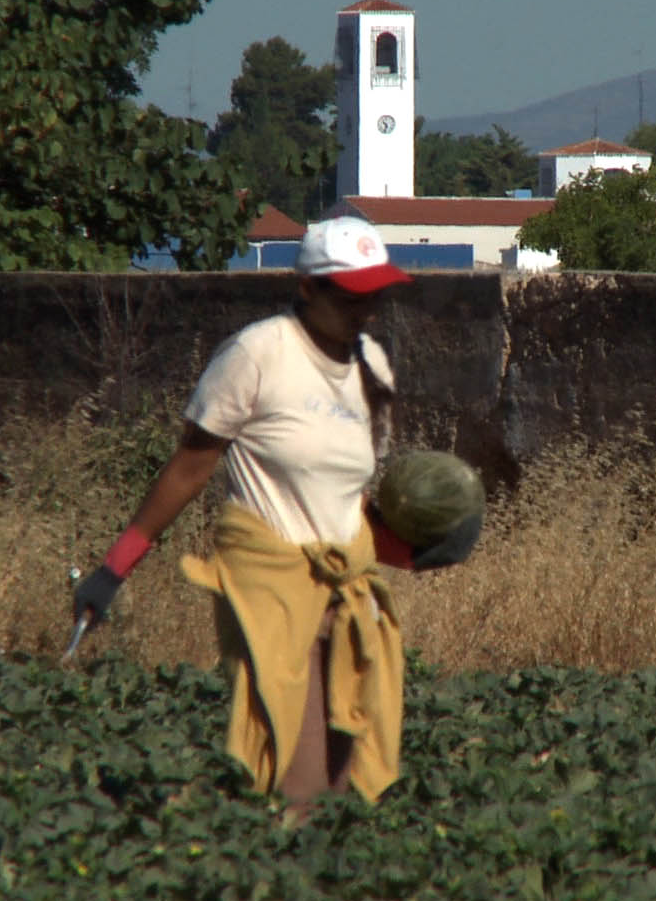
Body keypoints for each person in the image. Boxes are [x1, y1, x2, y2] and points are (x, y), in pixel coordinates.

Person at [71, 215, 476, 813]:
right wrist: (114, 568)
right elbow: (190, 466)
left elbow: (349, 505)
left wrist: (413, 553)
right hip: (269, 586)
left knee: (347, 781)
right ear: (308, 288)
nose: (366, 310)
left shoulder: (373, 367)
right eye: (351, 295)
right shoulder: (258, 353)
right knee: (298, 773)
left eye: (376, 295)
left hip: (346, 593)